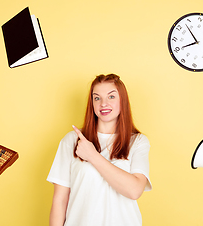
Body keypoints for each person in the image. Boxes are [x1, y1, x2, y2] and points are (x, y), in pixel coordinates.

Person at [47, 74, 152, 226]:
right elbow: (60, 200)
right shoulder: (71, 140)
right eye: (97, 98)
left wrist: (92, 156)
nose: (103, 103)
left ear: (122, 100)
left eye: (111, 97)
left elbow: (134, 190)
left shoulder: (137, 142)